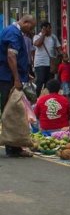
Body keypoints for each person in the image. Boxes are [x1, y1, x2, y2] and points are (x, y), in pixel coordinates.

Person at [0, 14, 36, 157]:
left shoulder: (12, 31)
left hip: (9, 76)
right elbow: (11, 56)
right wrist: (16, 78)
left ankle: (14, 146)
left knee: (11, 111)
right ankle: (13, 148)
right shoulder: (13, 33)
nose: (31, 30)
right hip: (7, 78)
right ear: (25, 22)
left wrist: (25, 73)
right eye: (31, 27)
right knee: (12, 111)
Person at [33, 22, 61, 96]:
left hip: (51, 64)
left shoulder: (53, 37)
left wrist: (62, 54)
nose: (50, 29)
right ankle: (36, 97)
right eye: (49, 28)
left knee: (49, 82)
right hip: (40, 63)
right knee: (40, 80)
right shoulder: (37, 36)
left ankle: (47, 97)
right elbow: (38, 44)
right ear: (43, 29)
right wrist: (43, 35)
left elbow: (59, 48)